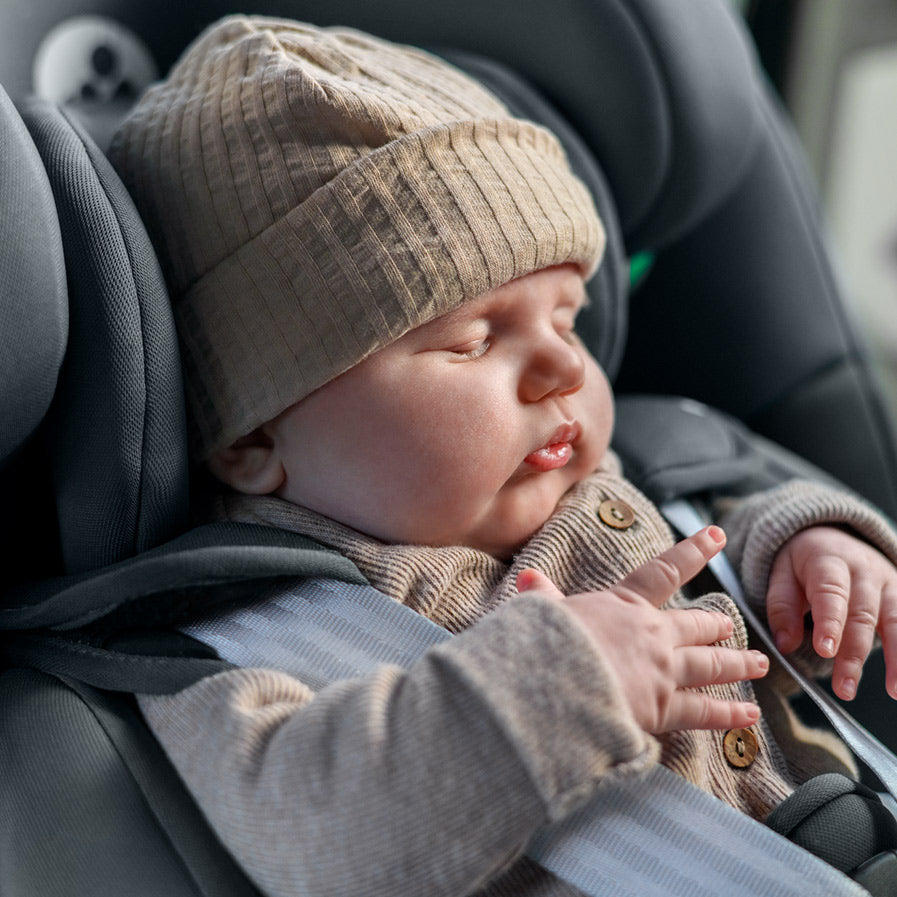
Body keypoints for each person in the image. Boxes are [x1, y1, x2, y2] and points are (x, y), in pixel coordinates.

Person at [109, 15, 897, 896]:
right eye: (473, 341)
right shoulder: (243, 635)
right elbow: (319, 842)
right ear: (255, 436)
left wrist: (802, 553)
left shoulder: (617, 471)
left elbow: (712, 546)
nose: (565, 364)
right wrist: (556, 688)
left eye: (565, 317)